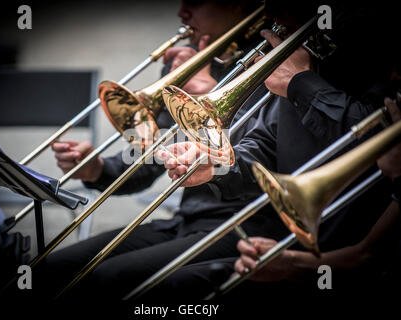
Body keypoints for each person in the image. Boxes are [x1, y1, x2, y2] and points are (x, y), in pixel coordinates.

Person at [151, 1, 397, 299]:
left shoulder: (372, 42)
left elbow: (384, 142)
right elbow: (265, 142)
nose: (268, 14)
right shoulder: (300, 53)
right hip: (297, 241)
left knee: (168, 288)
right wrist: (217, 164)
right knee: (161, 286)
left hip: (345, 244)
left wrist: (300, 84)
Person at [38, 0, 268, 300]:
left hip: (248, 226)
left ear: (240, 6)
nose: (182, 12)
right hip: (187, 221)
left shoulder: (274, 65)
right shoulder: (195, 62)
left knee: (108, 278)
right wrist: (97, 169)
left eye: (195, 2)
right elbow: (151, 157)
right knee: (54, 266)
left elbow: (269, 156)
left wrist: (208, 98)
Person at [233, 98, 401, 295]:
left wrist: (294, 264)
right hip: (313, 258)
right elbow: (259, 142)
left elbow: (365, 260)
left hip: (324, 261)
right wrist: (217, 167)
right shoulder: (286, 94)